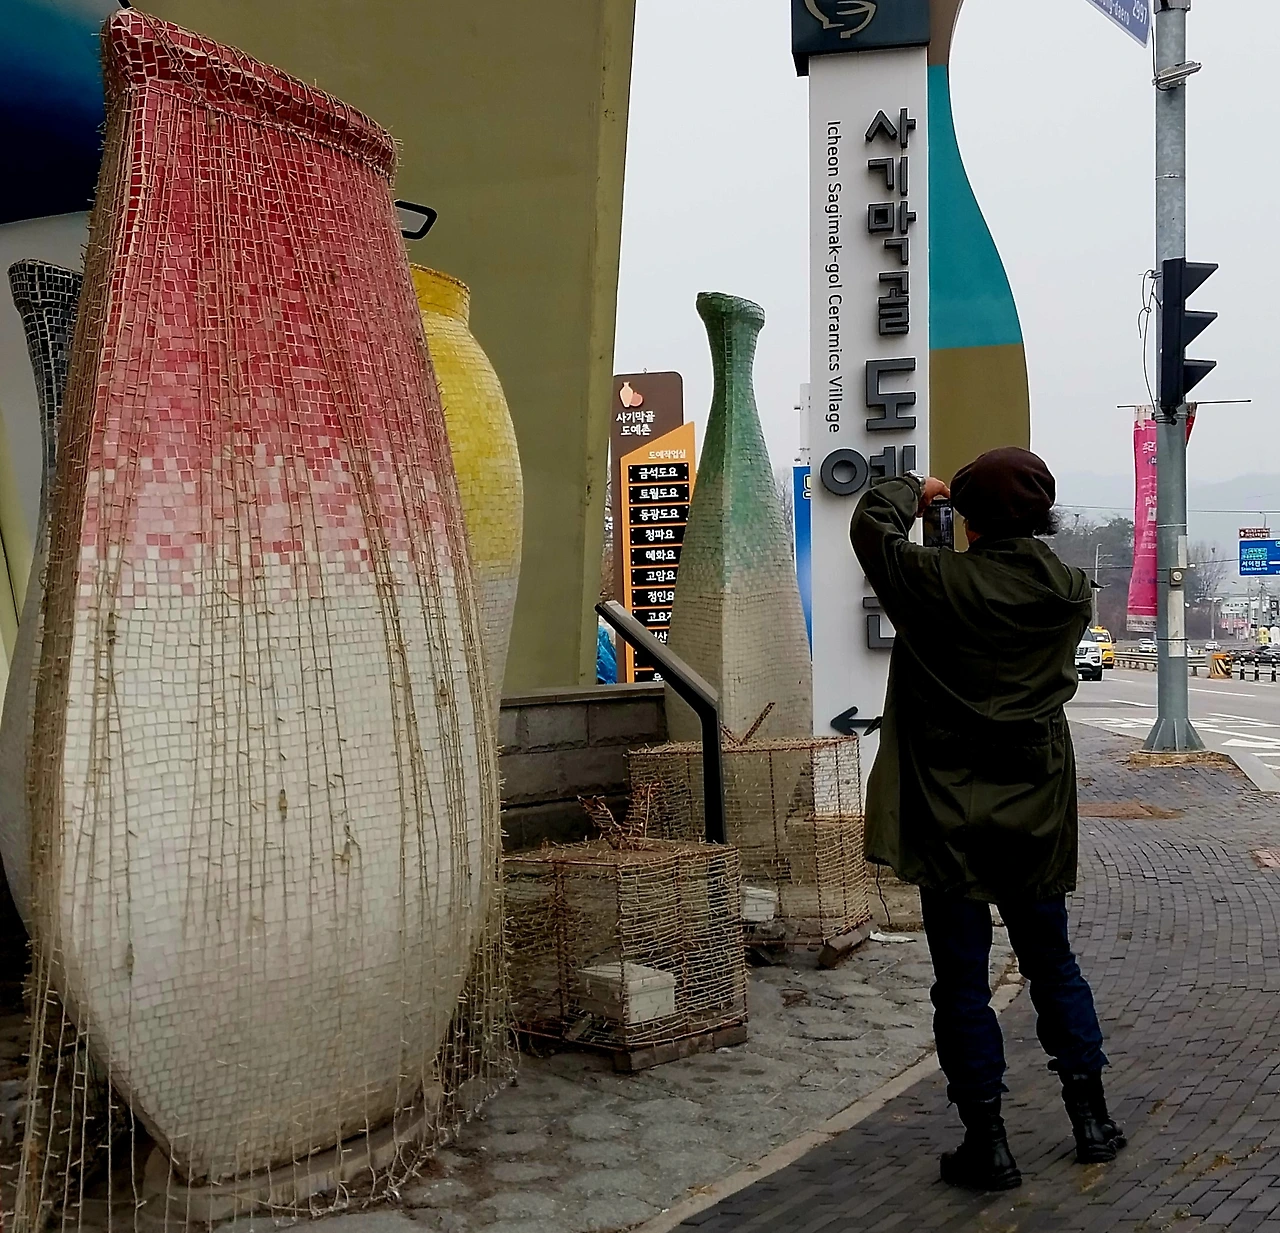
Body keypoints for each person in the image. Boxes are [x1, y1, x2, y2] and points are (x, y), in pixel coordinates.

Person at [848, 448, 1124, 1192]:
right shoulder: (1070, 592)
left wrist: (916, 489)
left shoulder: (935, 583)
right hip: (1035, 808)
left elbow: (871, 526)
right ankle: (1092, 1120)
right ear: (1043, 516)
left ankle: (988, 1144)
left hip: (947, 812)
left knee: (962, 983)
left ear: (964, 519)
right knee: (1053, 965)